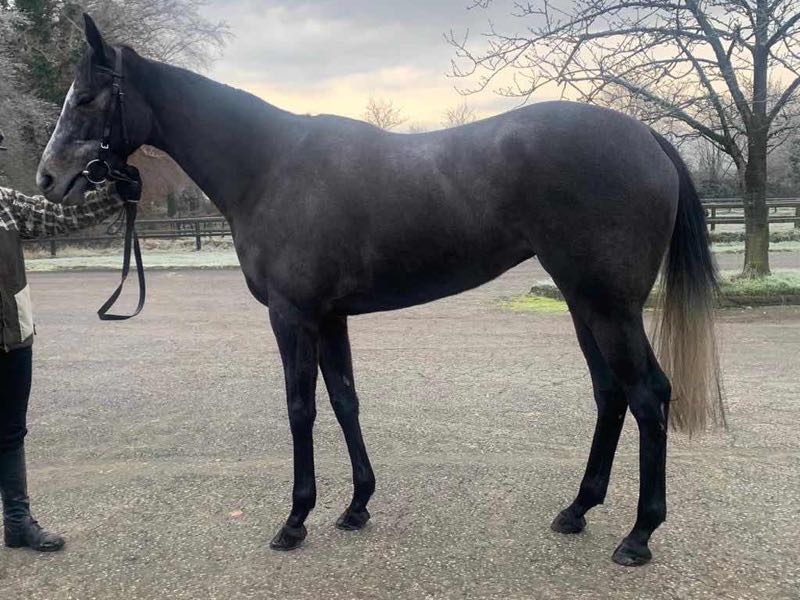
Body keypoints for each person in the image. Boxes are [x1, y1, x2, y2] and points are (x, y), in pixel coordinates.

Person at [0, 128, 141, 551]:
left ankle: (17, 522)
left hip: (12, 337)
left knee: (10, 433)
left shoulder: (4, 203)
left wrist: (115, 193)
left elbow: (59, 216)